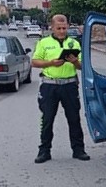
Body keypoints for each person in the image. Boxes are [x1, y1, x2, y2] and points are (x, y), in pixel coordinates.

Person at [31, 14, 90, 164]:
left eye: (64, 28)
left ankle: (78, 150)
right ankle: (44, 151)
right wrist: (50, 63)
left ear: (68, 26)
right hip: (50, 85)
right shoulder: (43, 43)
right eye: (59, 28)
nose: (62, 31)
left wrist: (75, 61)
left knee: (74, 119)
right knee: (47, 119)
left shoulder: (74, 43)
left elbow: (83, 67)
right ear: (52, 27)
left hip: (69, 85)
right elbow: (35, 62)